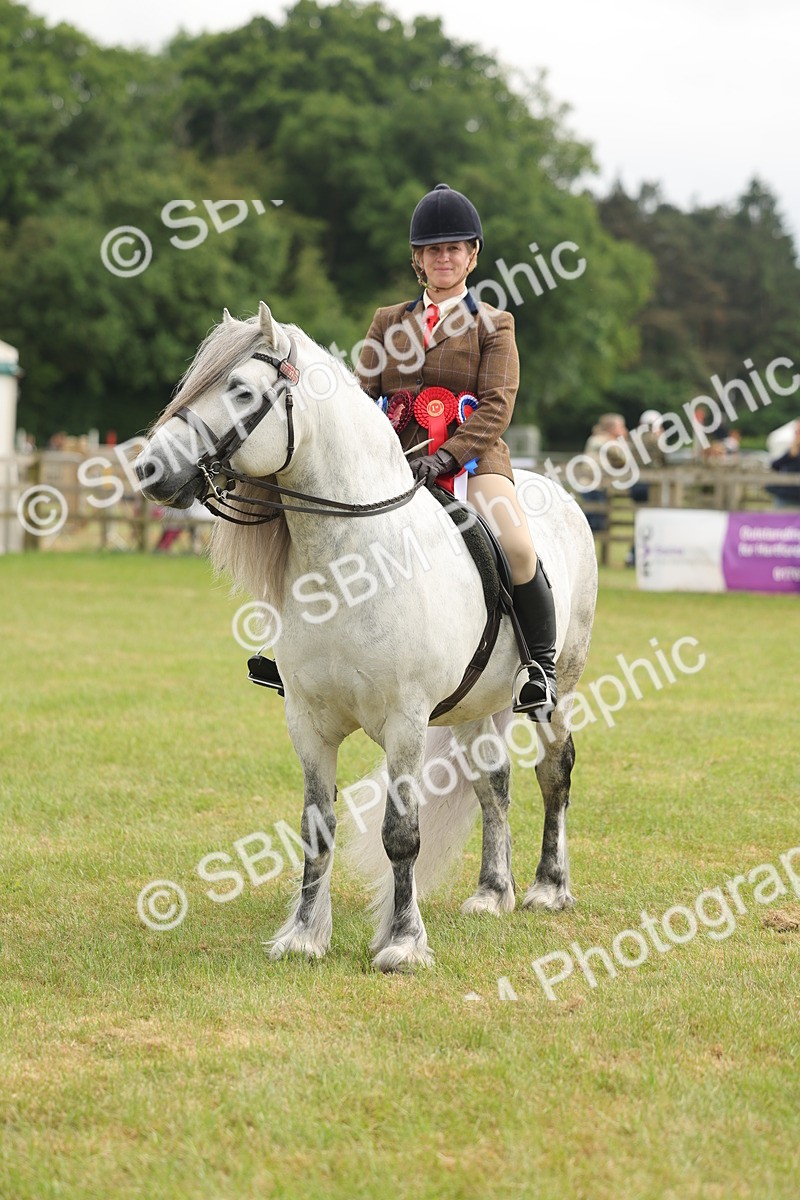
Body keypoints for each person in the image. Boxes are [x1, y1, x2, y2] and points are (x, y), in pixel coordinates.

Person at [353, 183, 557, 720]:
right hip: (391, 463)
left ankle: (540, 668)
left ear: (472, 256)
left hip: (473, 459)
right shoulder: (387, 321)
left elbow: (496, 407)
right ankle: (302, 657)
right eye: (433, 250)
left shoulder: (496, 324)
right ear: (418, 259)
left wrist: (444, 459)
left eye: (454, 248)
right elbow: (361, 396)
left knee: (515, 544)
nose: (444, 258)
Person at [767, 420, 800, 507]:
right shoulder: (792, 450)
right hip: (787, 494)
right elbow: (775, 465)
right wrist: (790, 455)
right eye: (796, 432)